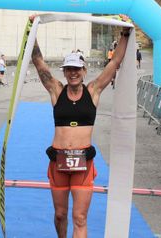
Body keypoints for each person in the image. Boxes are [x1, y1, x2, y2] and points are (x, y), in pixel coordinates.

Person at [31, 16, 131, 237]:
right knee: (60, 215)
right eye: (69, 69)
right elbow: (39, 63)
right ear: (64, 71)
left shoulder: (93, 91)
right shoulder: (56, 90)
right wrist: (32, 31)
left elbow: (114, 63)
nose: (73, 73)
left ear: (84, 70)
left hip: (83, 163)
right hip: (58, 161)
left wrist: (125, 33)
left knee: (80, 217)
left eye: (77, 69)